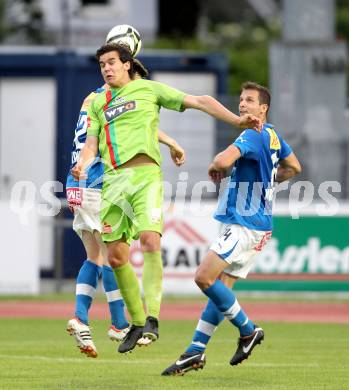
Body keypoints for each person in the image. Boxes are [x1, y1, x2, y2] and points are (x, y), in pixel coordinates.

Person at [72, 43, 262, 354]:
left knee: (150, 240)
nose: (106, 68)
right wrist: (83, 161)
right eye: (102, 64)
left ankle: (152, 319)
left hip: (145, 177)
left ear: (127, 64)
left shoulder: (149, 90)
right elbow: (91, 143)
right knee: (117, 257)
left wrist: (236, 121)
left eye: (111, 63)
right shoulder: (98, 103)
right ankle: (135, 323)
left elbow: (200, 100)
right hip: (113, 183)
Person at [162, 81, 302, 376]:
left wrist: (216, 164)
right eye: (241, 99)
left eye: (249, 100)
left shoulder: (251, 135)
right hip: (260, 226)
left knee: (203, 278)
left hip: (243, 224)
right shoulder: (273, 134)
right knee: (220, 288)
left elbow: (223, 159)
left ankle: (249, 331)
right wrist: (269, 181)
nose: (242, 104)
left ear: (263, 108)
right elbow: (294, 167)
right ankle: (195, 351)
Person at [66, 57, 186, 358]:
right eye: (106, 64)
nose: (109, 69)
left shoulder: (91, 99)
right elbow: (124, 130)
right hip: (99, 177)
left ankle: (81, 316)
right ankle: (120, 323)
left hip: (75, 178)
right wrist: (170, 142)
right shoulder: (111, 97)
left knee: (94, 256)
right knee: (110, 256)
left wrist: (169, 141)